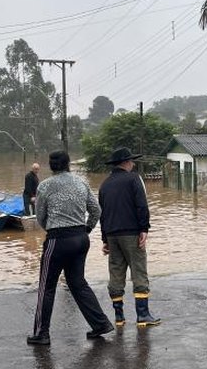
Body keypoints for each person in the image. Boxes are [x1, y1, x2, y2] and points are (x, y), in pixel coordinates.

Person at [27, 151, 113, 345]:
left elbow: (40, 216)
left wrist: (52, 229)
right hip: (81, 239)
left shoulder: (45, 186)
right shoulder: (81, 182)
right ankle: (100, 324)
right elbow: (96, 210)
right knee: (78, 283)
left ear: (51, 166)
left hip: (58, 239)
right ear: (68, 165)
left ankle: (42, 333)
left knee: (47, 287)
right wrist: (87, 229)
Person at [99, 147, 161, 327]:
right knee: (139, 271)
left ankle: (119, 318)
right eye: (131, 161)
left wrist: (104, 239)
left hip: (112, 235)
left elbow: (103, 214)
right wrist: (144, 228)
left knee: (116, 274)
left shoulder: (105, 184)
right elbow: (142, 205)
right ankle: (143, 316)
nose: (133, 164)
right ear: (126, 162)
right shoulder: (134, 179)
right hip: (131, 233)